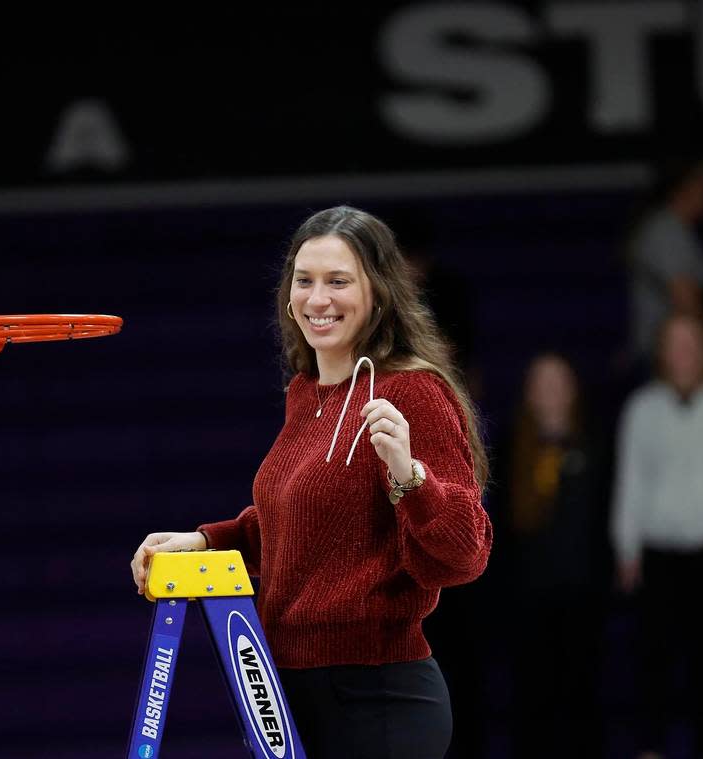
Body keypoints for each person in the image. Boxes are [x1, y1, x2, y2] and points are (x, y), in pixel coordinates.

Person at [130, 206, 493, 759]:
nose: (317, 299)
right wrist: (203, 540)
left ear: (379, 292)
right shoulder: (305, 392)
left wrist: (409, 474)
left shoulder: (413, 392)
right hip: (288, 694)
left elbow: (463, 555)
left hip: (379, 697)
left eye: (338, 281)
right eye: (305, 281)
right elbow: (300, 524)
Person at [612, 313, 703, 759]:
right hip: (658, 549)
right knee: (652, 657)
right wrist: (626, 545)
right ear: (661, 350)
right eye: (673, 343)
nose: (682, 353)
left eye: (690, 343)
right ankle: (652, 746)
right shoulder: (643, 406)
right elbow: (631, 480)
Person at [495, 351, 610, 758]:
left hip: (582, 591)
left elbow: (605, 518)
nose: (551, 392)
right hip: (529, 595)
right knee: (532, 696)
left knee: (582, 693)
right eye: (541, 383)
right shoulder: (510, 450)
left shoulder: (596, 443)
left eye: (559, 382)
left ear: (573, 390)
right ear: (528, 393)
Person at [625, 158, 703, 366]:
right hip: (670, 356)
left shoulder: (680, 230)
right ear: (684, 188)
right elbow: (685, 298)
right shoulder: (667, 231)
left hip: (676, 353)